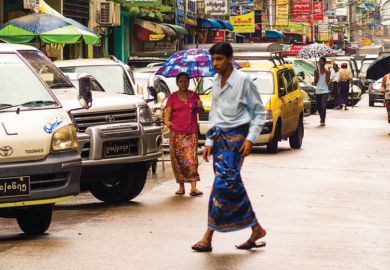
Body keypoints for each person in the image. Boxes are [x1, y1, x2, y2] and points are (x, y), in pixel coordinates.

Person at [191, 42, 267, 252]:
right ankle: (255, 227)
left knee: (225, 183)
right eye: (213, 59)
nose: (215, 63)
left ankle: (208, 236)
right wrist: (209, 141)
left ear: (229, 59)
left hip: (237, 139)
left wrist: (251, 139)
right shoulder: (215, 81)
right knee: (225, 185)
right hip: (219, 139)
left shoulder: (243, 81)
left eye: (219, 59)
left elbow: (260, 113)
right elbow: (214, 112)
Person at [164, 72, 204, 196]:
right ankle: (181, 186)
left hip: (191, 132)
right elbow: (167, 116)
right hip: (176, 133)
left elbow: (201, 113)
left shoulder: (194, 96)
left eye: (186, 81)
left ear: (189, 82)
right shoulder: (172, 97)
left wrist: (200, 106)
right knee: (178, 160)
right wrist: (167, 123)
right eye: (181, 81)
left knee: (191, 160)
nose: (183, 84)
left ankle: (193, 187)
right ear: (177, 83)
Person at [313, 57, 330, 126]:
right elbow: (315, 82)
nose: (320, 63)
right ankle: (321, 117)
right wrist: (316, 75)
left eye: (322, 61)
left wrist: (327, 73)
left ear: (324, 63)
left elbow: (327, 82)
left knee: (323, 105)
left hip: (325, 90)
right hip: (318, 90)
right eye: (319, 62)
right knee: (318, 106)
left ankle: (323, 120)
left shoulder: (327, 71)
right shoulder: (316, 71)